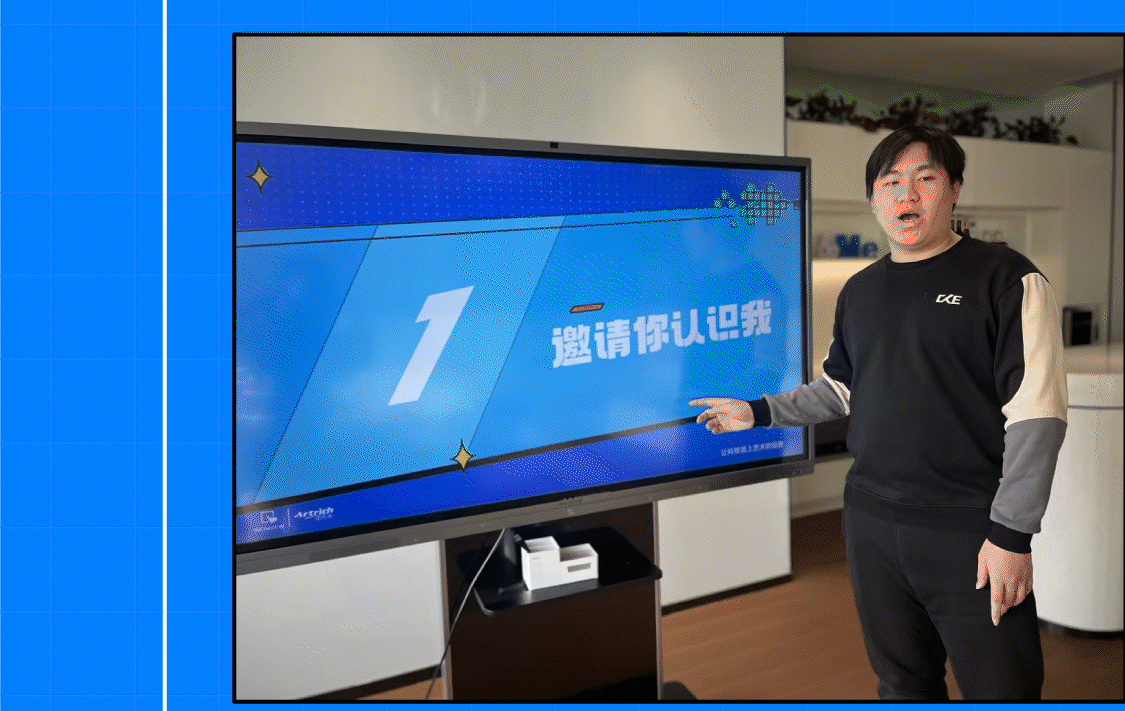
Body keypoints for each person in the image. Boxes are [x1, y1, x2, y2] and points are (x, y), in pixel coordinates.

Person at [690, 125, 1067, 700]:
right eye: (890, 182)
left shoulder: (1007, 278)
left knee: (1003, 688)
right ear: (873, 199)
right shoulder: (860, 291)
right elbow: (840, 390)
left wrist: (1012, 536)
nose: (906, 195)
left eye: (925, 178)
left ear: (954, 189)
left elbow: (1037, 416)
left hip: (969, 527)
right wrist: (760, 412)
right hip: (871, 521)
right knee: (901, 682)